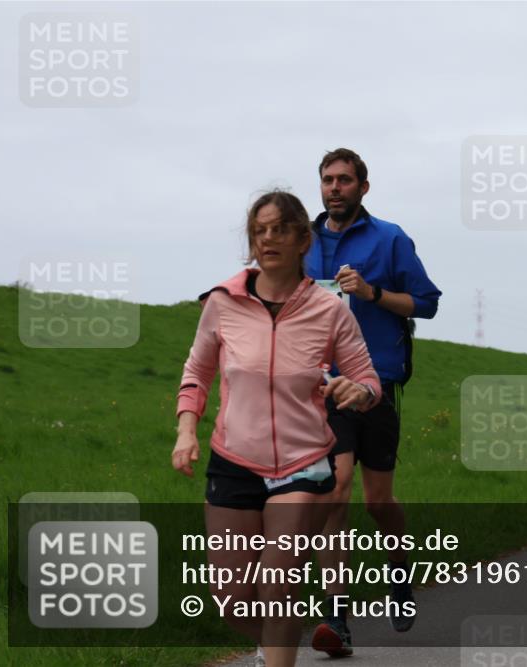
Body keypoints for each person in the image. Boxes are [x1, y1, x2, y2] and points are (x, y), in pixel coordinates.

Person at [172, 190, 381, 667]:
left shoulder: (330, 310)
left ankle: (279, 649)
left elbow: (368, 379)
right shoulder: (222, 303)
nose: (269, 239)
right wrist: (187, 431)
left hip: (303, 462)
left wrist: (360, 393)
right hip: (234, 459)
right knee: (232, 599)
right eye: (260, 230)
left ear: (303, 238)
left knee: (279, 579)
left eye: (280, 229)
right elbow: (196, 372)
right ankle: (275, 641)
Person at [305, 148, 441, 656]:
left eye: (344, 180)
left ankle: (398, 574)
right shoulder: (303, 242)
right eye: (326, 180)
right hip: (319, 388)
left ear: (363, 186)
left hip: (376, 384)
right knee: (334, 493)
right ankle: (335, 620)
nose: (334, 188)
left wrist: (371, 292)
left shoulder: (390, 238)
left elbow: (425, 304)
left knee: (378, 500)